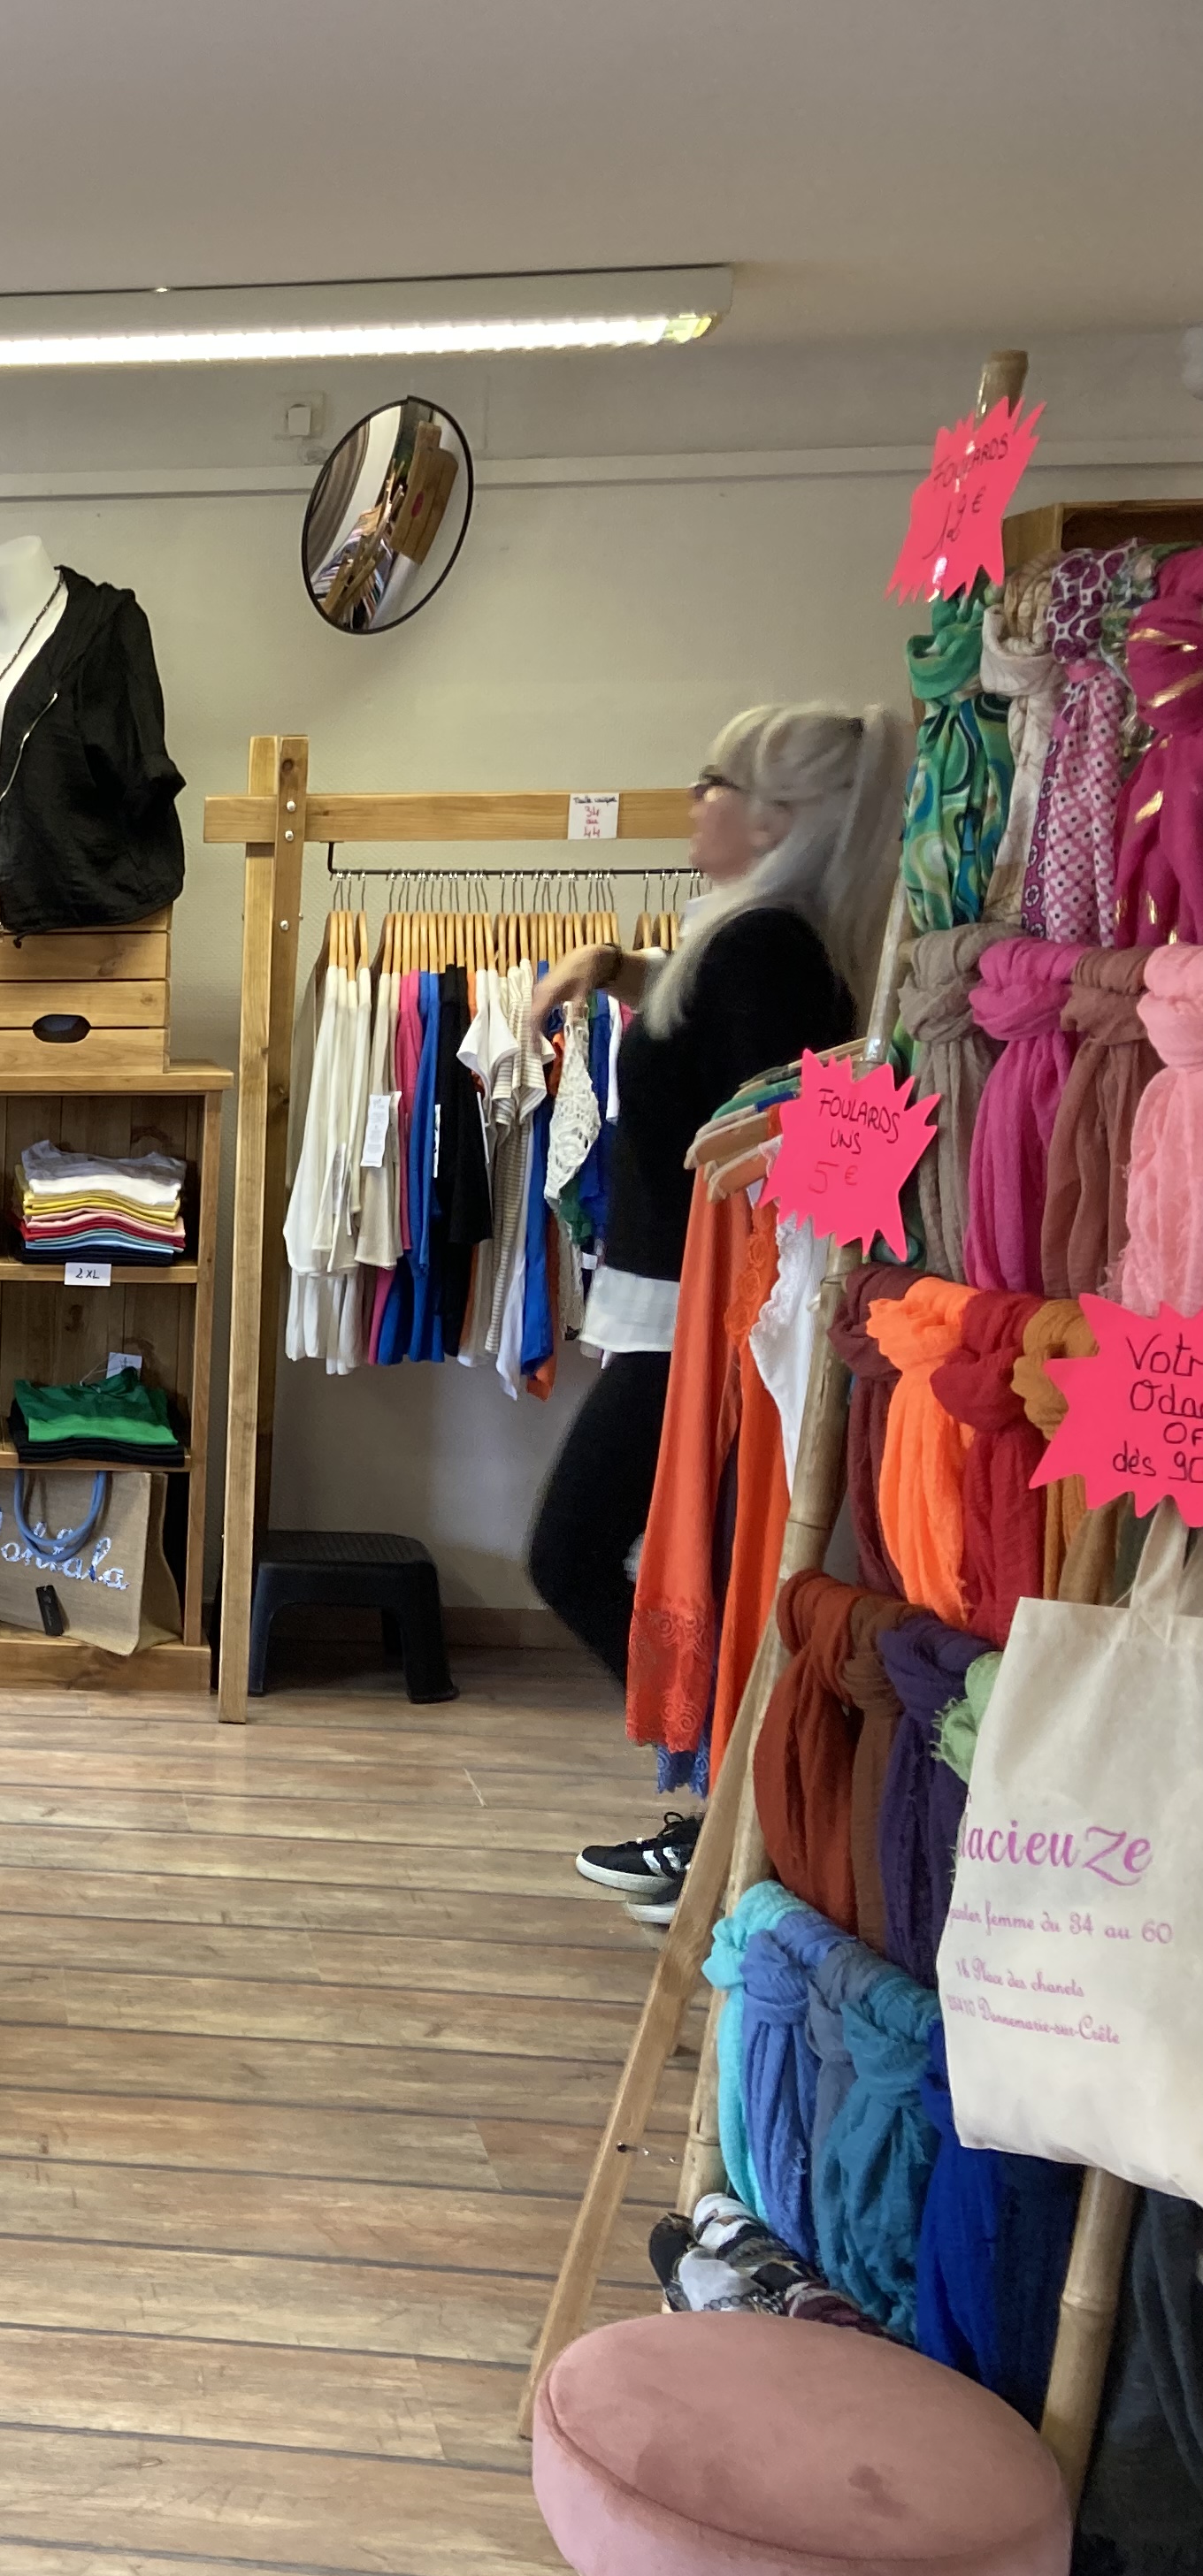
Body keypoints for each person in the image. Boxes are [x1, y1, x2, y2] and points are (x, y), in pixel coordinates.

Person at [530, 703, 910, 1919]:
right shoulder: (756, 940)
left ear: (779, 818)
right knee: (687, 1566)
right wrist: (618, 969)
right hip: (689, 1312)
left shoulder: (766, 951)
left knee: (581, 1553)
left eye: (715, 783)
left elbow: (779, 1138)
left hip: (713, 1321)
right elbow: (719, 1054)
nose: (695, 803)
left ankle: (733, 1816)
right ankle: (728, 1816)